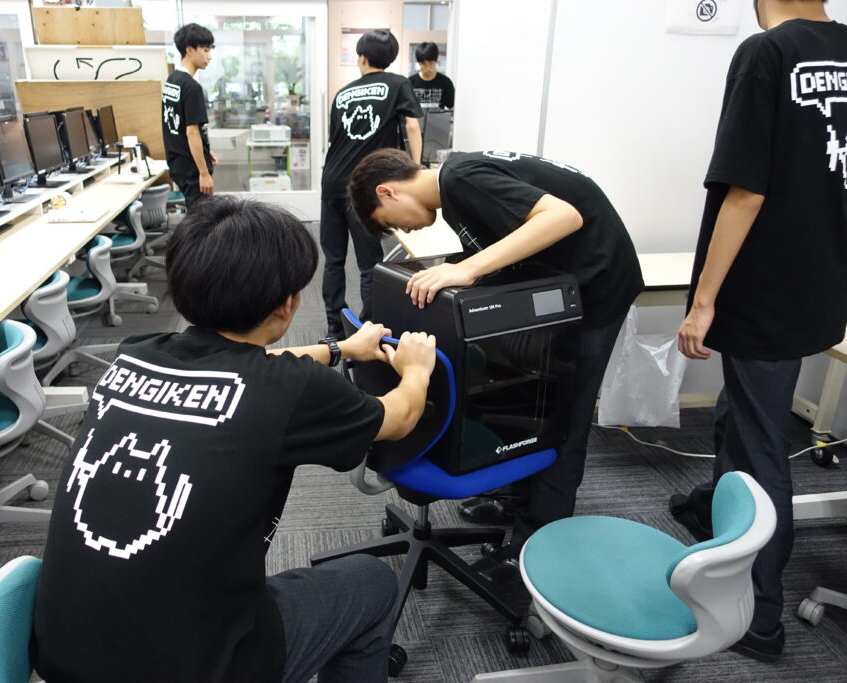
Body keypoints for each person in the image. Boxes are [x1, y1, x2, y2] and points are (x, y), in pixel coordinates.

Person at [30, 195, 438, 682]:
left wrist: (340, 349)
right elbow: (399, 417)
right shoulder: (293, 391)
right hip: (196, 671)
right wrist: (416, 368)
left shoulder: (133, 355)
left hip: (64, 655)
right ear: (287, 304)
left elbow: (251, 371)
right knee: (372, 583)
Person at [349, 148, 643, 578]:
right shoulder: (455, 190)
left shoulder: (461, 178)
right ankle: (517, 498)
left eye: (390, 222)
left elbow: (563, 217)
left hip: (595, 288)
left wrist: (468, 269)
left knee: (562, 416)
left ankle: (534, 552)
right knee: (525, 391)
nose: (402, 230)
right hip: (556, 288)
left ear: (387, 192)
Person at [670, 0, 847, 663]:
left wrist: (703, 302)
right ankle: (713, 509)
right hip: (819, 284)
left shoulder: (767, 53)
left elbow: (745, 191)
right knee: (744, 410)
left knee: (761, 446)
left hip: (764, 286)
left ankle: (759, 610)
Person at [320, 29, 424, 339]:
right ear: (390, 58)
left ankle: (335, 329)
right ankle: (367, 329)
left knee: (334, 261)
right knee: (369, 263)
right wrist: (415, 170)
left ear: (361, 57)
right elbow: (412, 127)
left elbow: (336, 139)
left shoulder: (343, 93)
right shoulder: (398, 84)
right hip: (363, 187)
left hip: (331, 181)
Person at [162, 23, 217, 207]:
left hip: (179, 163)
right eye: (205, 50)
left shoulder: (173, 80)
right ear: (189, 50)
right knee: (201, 218)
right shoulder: (192, 88)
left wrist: (205, 152)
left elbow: (178, 126)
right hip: (192, 169)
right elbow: (191, 132)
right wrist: (204, 173)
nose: (209, 56)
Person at [408, 42, 455, 110]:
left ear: (436, 61)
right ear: (419, 63)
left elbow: (451, 106)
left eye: (431, 64)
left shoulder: (445, 82)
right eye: (424, 64)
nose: (428, 68)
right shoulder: (410, 82)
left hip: (438, 117)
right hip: (416, 117)